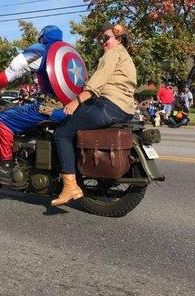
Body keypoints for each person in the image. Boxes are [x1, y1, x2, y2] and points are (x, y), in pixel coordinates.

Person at [52, 22, 136, 207]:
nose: (103, 42)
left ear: (118, 39)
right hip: (124, 110)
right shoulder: (125, 56)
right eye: (102, 39)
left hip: (108, 106)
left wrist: (77, 101)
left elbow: (98, 81)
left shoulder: (113, 53)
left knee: (62, 134)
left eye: (106, 38)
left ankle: (70, 187)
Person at [0, 25, 68, 184]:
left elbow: (12, 71)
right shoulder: (68, 53)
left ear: (42, 38)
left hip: (49, 107)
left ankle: (5, 165)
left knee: (4, 119)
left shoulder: (41, 50)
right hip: (70, 108)